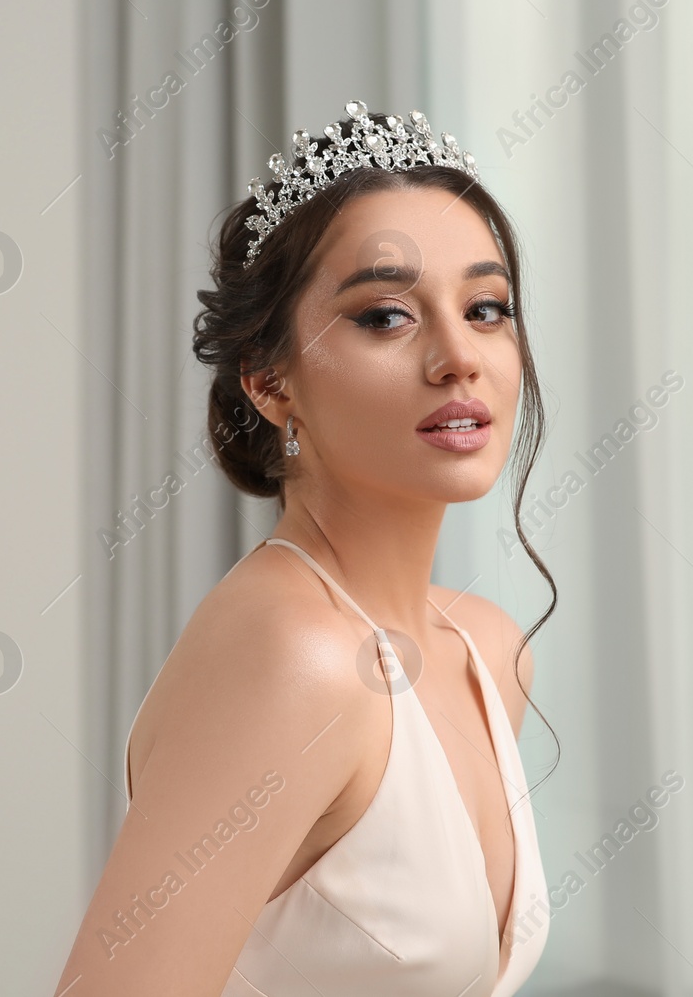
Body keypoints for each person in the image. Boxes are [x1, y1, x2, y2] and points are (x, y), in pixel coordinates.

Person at [54, 101, 558, 996]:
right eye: (385, 316)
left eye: (486, 307)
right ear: (270, 380)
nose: (457, 357)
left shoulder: (490, 649)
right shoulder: (298, 656)